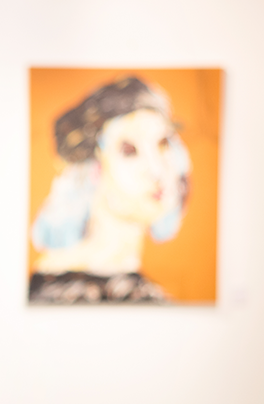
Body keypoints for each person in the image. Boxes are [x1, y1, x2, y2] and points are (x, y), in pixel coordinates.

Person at [29, 76, 190, 304]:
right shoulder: (52, 291)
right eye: (129, 150)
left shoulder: (148, 296)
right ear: (95, 167)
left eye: (163, 144)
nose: (157, 170)